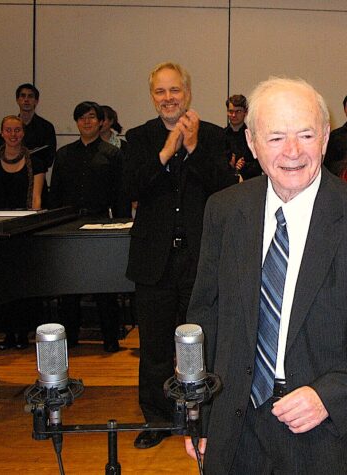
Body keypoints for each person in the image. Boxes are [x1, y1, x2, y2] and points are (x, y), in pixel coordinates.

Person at [184, 77, 347, 474]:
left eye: (305, 134)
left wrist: (328, 396)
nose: (292, 152)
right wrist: (201, 416)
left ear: (326, 138)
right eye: (275, 138)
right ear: (253, 144)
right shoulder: (224, 210)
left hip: (329, 431)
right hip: (236, 427)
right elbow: (205, 318)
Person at [123, 62, 236, 450]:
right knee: (154, 347)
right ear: (152, 96)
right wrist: (167, 150)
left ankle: (199, 419)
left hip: (202, 260)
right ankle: (157, 420)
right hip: (154, 260)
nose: (168, 98)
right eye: (160, 92)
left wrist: (192, 149)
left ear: (187, 93)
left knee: (200, 345)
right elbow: (129, 186)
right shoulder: (138, 138)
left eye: (175, 91)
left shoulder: (215, 136)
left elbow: (225, 187)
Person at [49, 101, 129, 352]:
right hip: (70, 225)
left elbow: (121, 195)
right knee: (68, 286)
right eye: (81, 118)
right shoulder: (64, 155)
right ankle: (70, 339)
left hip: (102, 223)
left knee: (104, 285)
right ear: (76, 122)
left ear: (101, 122)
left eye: (92, 117)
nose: (86, 122)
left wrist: (122, 225)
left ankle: (110, 340)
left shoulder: (113, 154)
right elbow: (55, 196)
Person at [0, 115, 46, 349]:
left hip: (23, 229)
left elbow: (37, 198)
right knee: (2, 284)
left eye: (17, 130)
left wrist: (30, 223)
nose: (13, 134)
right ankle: (7, 333)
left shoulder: (36, 164)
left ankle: (22, 332)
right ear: (1, 133)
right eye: (8, 130)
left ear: (23, 133)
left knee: (24, 283)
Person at [0, 84, 57, 169]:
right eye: (23, 96)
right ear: (17, 100)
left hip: (36, 174)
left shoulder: (46, 127)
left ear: (36, 101)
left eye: (30, 96)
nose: (26, 100)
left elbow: (49, 159)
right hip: (10, 172)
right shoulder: (9, 125)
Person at [224, 94, 262, 180]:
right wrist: (230, 166)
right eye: (230, 111)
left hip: (249, 184)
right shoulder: (221, 136)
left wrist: (243, 166)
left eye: (238, 111)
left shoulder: (253, 136)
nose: (233, 115)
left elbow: (260, 165)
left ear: (246, 112)